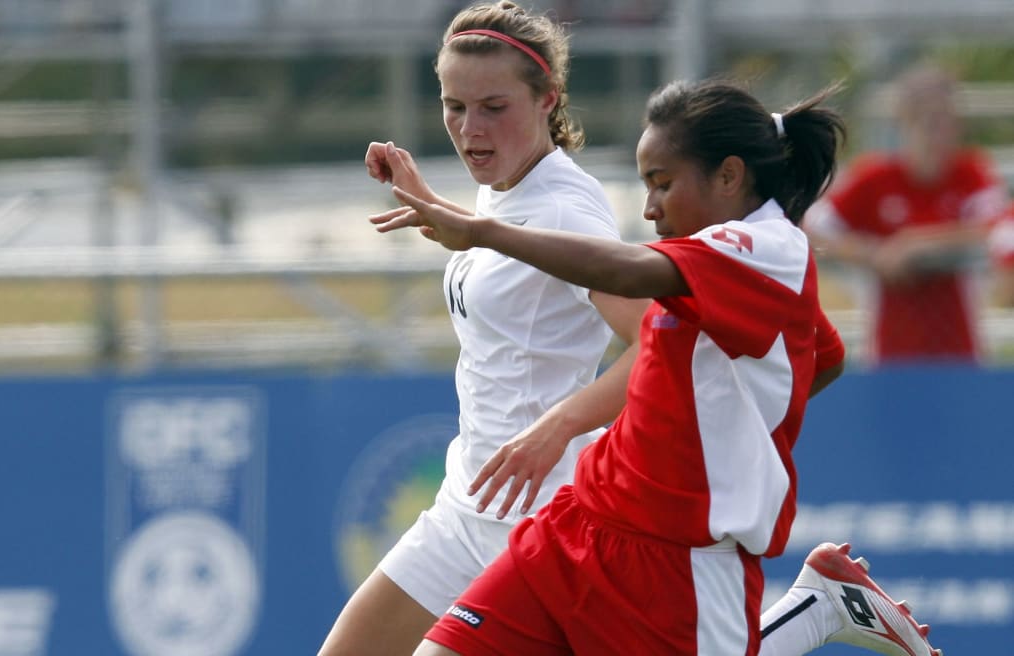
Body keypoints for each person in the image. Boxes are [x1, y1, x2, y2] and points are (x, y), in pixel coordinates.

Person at [324, 3, 941, 655]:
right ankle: (815, 607)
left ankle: (812, 612)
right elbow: (813, 352)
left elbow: (627, 288)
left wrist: (566, 421)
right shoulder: (538, 200)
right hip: (540, 511)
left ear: (547, 100)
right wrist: (450, 218)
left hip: (585, 517)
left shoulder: (729, 240)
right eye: (454, 105)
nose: (646, 208)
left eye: (492, 107)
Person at [802, 62, 1009, 366]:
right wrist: (873, 254)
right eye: (927, 121)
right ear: (905, 122)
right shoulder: (875, 179)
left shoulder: (972, 173)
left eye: (946, 120)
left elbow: (996, 228)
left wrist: (917, 244)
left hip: (962, 354)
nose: (938, 133)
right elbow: (813, 226)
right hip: (890, 353)